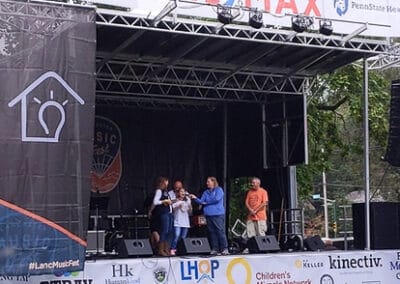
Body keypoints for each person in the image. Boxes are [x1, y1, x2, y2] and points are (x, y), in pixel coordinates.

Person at [190, 177, 229, 255]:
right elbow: (201, 201)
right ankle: (215, 248)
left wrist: (206, 202)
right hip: (208, 215)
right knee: (212, 232)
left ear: (213, 182)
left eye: (208, 182)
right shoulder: (206, 192)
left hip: (217, 214)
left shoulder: (219, 190)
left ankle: (224, 248)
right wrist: (195, 198)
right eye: (207, 182)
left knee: (220, 231)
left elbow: (216, 199)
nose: (207, 183)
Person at [151, 176, 173, 256]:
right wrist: (164, 201)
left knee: (169, 232)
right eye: (166, 181)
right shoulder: (159, 191)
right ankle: (160, 249)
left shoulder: (165, 191)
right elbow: (155, 202)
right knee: (164, 231)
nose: (167, 183)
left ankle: (166, 249)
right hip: (163, 213)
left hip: (169, 212)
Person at [170, 187, 192, 255]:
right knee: (176, 236)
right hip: (178, 222)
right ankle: (173, 249)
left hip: (185, 222)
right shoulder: (176, 201)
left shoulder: (187, 201)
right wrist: (178, 204)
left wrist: (190, 205)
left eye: (184, 191)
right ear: (178, 193)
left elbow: (190, 212)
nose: (182, 193)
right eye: (181, 191)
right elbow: (172, 208)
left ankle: (180, 250)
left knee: (183, 238)